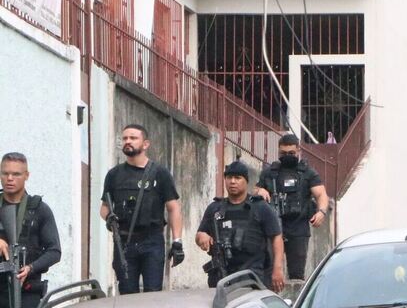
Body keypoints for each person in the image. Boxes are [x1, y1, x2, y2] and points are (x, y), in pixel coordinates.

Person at [100, 124, 184, 294]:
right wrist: (109, 219)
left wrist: (177, 242)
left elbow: (173, 208)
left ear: (145, 144)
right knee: (127, 294)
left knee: (152, 294)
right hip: (124, 241)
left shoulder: (159, 173)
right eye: (124, 138)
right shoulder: (114, 175)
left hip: (151, 241)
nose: (127, 141)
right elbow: (104, 207)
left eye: (133, 138)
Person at [196, 161, 286, 293]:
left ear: (246, 181)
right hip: (221, 277)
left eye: (237, 178)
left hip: (253, 277)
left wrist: (278, 269)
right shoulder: (215, 208)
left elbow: (276, 237)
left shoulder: (260, 207)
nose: (232, 182)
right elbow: (200, 234)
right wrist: (201, 237)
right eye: (229, 178)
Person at [0, 153, 61, 308]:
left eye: (16, 174)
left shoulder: (39, 210)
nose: (10, 179)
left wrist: (30, 268)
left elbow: (54, 251)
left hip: (26, 293)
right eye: (5, 173)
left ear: (27, 175)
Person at [254, 134, 329, 281]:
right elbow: (254, 191)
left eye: (291, 153)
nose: (287, 156)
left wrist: (321, 212)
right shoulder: (270, 172)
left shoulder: (308, 172)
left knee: (296, 275)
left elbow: (321, 194)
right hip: (274, 228)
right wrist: (259, 190)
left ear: (298, 151)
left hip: (298, 228)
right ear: (278, 151)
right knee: (270, 273)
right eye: (283, 153)